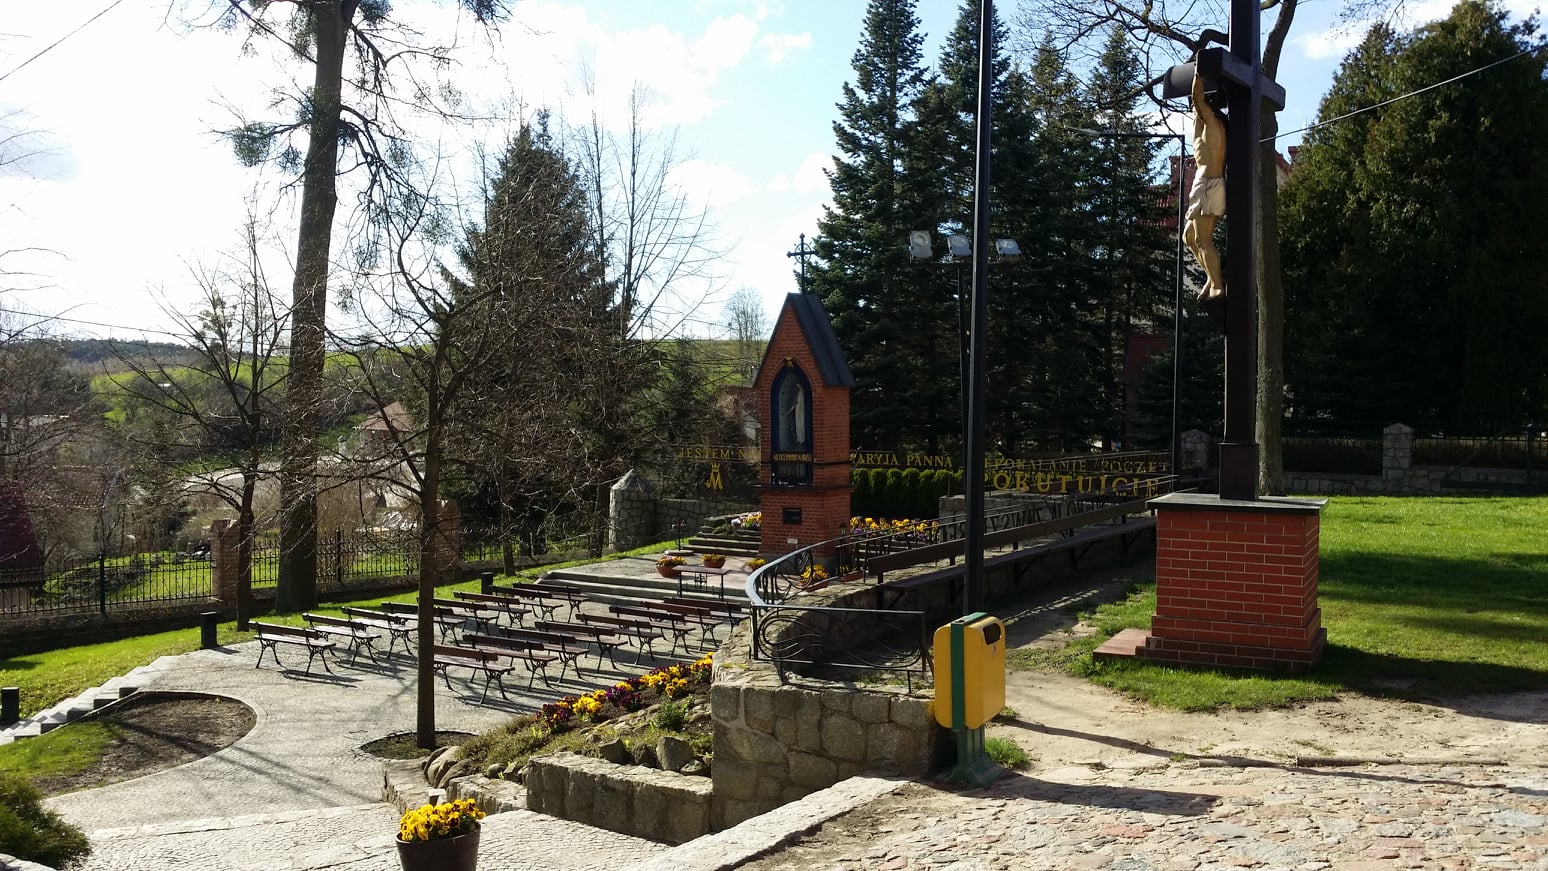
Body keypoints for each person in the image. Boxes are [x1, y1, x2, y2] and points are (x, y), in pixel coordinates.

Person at [1184, 70, 1226, 310]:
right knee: (1188, 237)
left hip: (1210, 184)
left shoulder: (1211, 122)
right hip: (1201, 185)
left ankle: (1218, 284)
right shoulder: (1201, 126)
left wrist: (1198, 73)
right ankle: (1211, 277)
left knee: (1202, 238)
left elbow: (1198, 100)